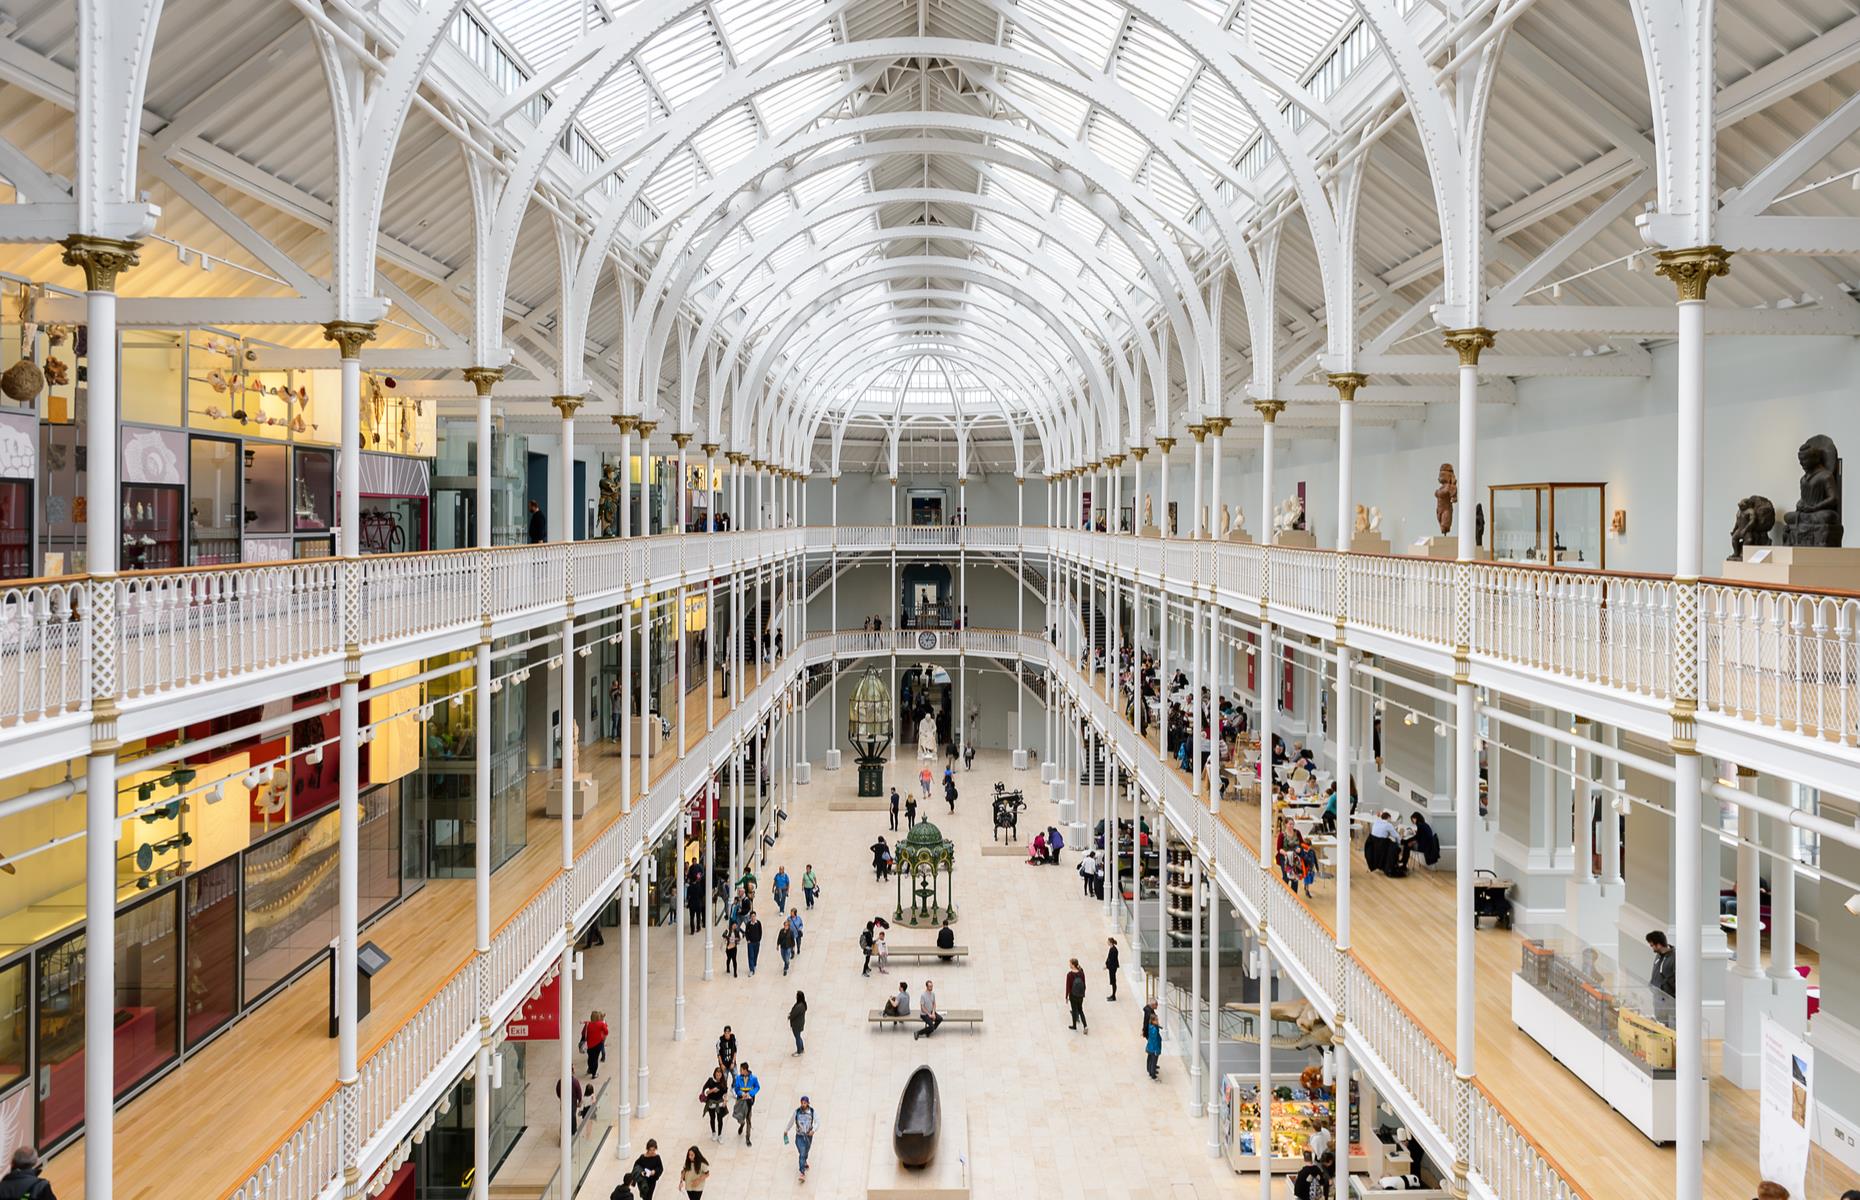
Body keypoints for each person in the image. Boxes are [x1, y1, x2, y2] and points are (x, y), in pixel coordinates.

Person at [785, 1095, 820, 1182]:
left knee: (806, 1151)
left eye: (805, 1103)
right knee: (802, 1152)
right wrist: (786, 1130)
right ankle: (802, 1172)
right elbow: (791, 1121)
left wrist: (814, 1130)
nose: (803, 1104)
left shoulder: (812, 1112)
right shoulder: (797, 1112)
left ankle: (804, 1161)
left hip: (808, 1136)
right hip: (799, 1136)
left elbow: (817, 1122)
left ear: (808, 1103)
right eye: (802, 1103)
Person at [1647, 930, 1677, 1022]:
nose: (1652, 948)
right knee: (1660, 1026)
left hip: (1669, 1002)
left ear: (1659, 944)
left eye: (1652, 945)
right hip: (1658, 1000)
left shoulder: (1674, 957)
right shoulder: (1658, 956)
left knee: (1670, 1029)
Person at [699, 1067, 730, 1143]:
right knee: (712, 1118)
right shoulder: (710, 1081)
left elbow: (725, 1093)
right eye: (717, 1073)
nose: (718, 1075)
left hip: (720, 1103)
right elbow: (705, 1090)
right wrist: (712, 1090)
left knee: (720, 1119)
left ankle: (720, 1135)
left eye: (720, 1074)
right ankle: (713, 1133)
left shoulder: (723, 1082)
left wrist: (725, 1101)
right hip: (711, 1103)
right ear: (715, 1074)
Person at [732, 1061, 760, 1144]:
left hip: (749, 1101)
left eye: (741, 1070)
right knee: (739, 1115)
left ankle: (748, 1137)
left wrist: (750, 1093)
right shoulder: (738, 1078)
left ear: (745, 1070)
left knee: (748, 1118)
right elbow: (736, 1088)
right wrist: (741, 1093)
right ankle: (742, 1124)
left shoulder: (753, 1078)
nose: (740, 1071)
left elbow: (757, 1087)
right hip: (740, 1099)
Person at [581, 1009, 609, 1079]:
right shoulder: (601, 1024)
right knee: (595, 1059)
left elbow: (583, 1033)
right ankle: (594, 1073)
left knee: (590, 1058)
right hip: (598, 1044)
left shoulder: (588, 1024)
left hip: (589, 1045)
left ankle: (590, 1069)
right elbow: (606, 1032)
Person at [1065, 958, 1089, 1033]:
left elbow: (1068, 986)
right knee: (1080, 1010)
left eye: (1070, 963)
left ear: (1073, 965)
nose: (1069, 965)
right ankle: (1085, 1025)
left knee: (1074, 1009)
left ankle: (1074, 1025)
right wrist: (1083, 993)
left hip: (1073, 995)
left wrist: (1066, 996)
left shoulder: (1069, 975)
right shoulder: (1081, 973)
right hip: (1080, 995)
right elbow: (1084, 984)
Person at [744, 911, 764, 976]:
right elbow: (746, 932)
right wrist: (748, 940)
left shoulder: (758, 923)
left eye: (754, 916)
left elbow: (760, 931)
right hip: (750, 943)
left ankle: (754, 964)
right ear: (750, 917)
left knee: (755, 954)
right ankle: (751, 969)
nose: (753, 918)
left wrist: (759, 939)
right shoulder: (748, 924)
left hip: (757, 942)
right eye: (752, 916)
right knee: (751, 956)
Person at [789, 990, 808, 1055]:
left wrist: (790, 1016)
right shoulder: (802, 1004)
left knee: (797, 1037)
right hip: (799, 1023)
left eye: (797, 996)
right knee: (798, 1036)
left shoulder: (799, 1006)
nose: (796, 997)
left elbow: (793, 1014)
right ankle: (801, 1049)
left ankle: (799, 1051)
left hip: (797, 1024)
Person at [1145, 1012, 1163, 1079]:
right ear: (1153, 1021)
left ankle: (1149, 1071)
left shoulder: (1150, 1026)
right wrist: (1156, 1050)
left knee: (1149, 1059)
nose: (1158, 1021)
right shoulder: (1154, 1030)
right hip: (1154, 1048)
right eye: (1156, 1020)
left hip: (1150, 1047)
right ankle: (1153, 1074)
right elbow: (1155, 1041)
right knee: (1153, 1061)